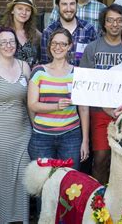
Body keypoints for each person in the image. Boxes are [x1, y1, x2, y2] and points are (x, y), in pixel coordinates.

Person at [0, 27, 32, 223]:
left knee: (22, 179)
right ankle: (2, 219)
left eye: (12, 42)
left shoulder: (24, 66)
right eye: (4, 43)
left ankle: (23, 219)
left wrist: (35, 128)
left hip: (23, 131)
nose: (9, 46)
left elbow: (29, 102)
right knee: (2, 180)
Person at [28, 28, 90, 172]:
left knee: (69, 182)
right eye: (54, 43)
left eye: (63, 44)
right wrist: (56, 106)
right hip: (42, 137)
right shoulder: (38, 72)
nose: (58, 47)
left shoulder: (77, 73)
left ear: (69, 46)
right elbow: (32, 105)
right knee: (42, 182)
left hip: (71, 136)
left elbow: (83, 108)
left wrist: (85, 141)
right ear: (49, 46)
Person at [79, 4, 122, 184]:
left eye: (119, 20)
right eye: (110, 20)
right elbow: (85, 86)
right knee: (100, 158)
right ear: (103, 24)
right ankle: (98, 201)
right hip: (99, 111)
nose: (115, 24)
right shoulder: (92, 48)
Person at [41, 0, 97, 66]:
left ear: (76, 5)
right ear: (57, 6)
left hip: (82, 77)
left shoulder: (88, 29)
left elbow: (94, 60)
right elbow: (45, 63)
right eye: (64, 4)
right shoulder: (49, 32)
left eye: (72, 4)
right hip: (57, 77)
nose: (69, 9)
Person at [0, 0, 41, 68]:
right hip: (8, 78)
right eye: (20, 8)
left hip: (31, 78)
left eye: (28, 10)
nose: (24, 12)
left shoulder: (35, 34)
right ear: (12, 10)